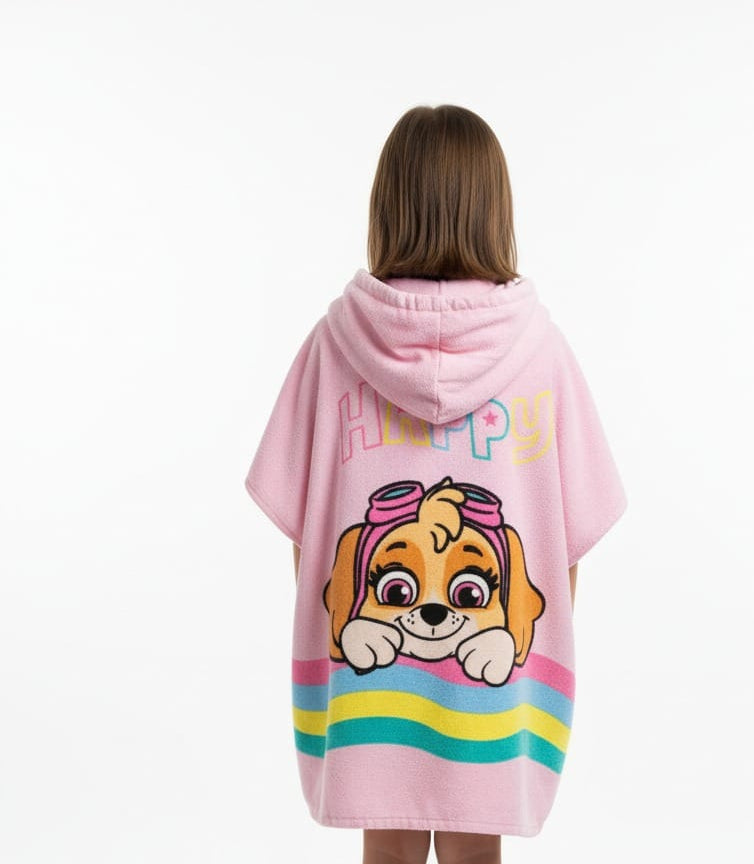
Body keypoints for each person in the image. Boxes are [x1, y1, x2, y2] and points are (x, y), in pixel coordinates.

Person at [244, 104, 627, 864]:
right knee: (476, 853)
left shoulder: (335, 347)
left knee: (385, 847)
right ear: (494, 210)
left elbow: (305, 541)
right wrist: (522, 651)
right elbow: (567, 548)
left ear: (388, 206)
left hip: (367, 681)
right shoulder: (540, 354)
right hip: (496, 682)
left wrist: (343, 628)